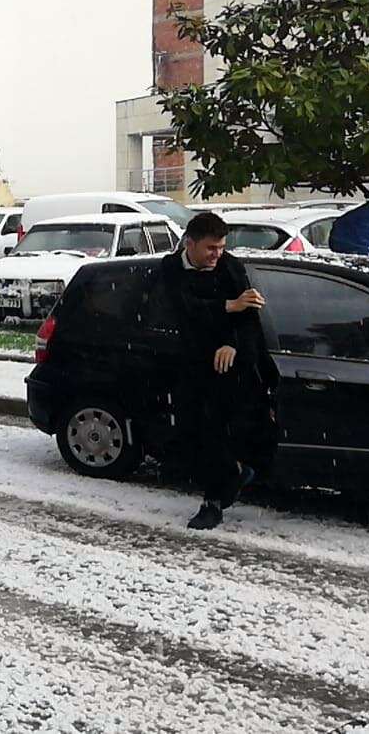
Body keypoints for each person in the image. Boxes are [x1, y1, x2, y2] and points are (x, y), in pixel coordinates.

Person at [156, 212, 277, 530]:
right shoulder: (170, 268)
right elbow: (181, 308)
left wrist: (233, 343)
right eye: (211, 248)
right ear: (190, 243)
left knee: (216, 433)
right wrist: (227, 305)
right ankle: (234, 475)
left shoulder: (230, 267)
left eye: (221, 247)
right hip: (188, 363)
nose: (217, 254)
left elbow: (249, 316)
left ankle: (214, 501)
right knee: (190, 431)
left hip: (229, 367)